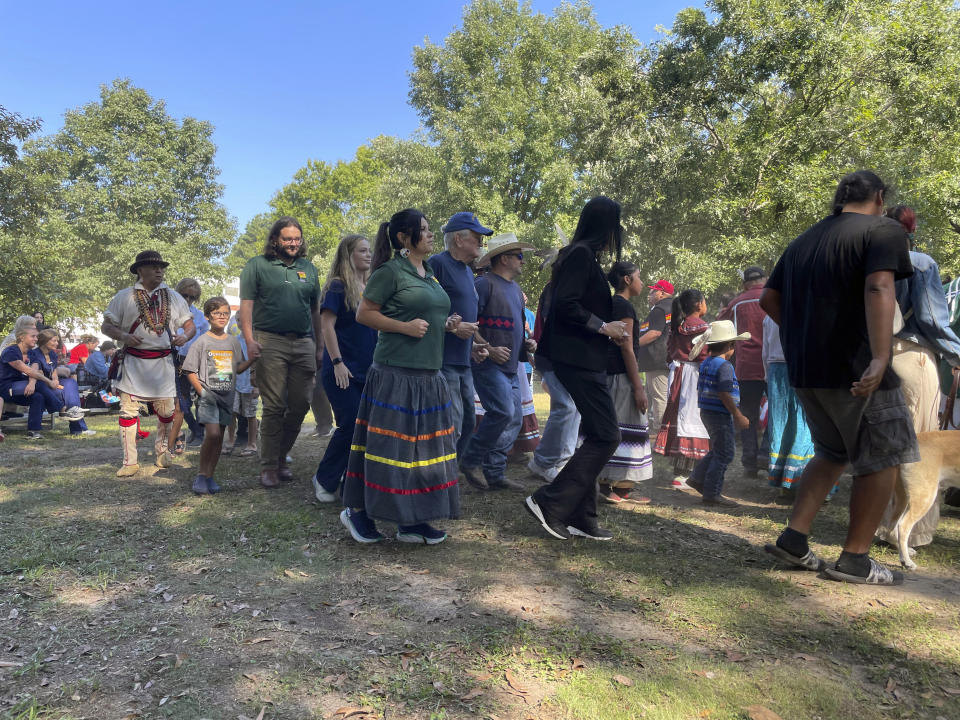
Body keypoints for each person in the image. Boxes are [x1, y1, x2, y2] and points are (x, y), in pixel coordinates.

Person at [761, 170, 918, 586]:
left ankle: (793, 539)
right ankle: (855, 559)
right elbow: (879, 286)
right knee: (882, 457)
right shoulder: (882, 230)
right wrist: (881, 356)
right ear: (880, 199)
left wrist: (802, 338)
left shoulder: (802, 241)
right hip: (857, 367)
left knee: (831, 453)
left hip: (808, 370)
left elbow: (768, 298)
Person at [340, 209, 460, 545]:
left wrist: (449, 324)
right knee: (387, 450)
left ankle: (412, 520)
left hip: (429, 376)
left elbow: (430, 312)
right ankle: (357, 511)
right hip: (395, 376)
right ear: (405, 238)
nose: (431, 234)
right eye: (424, 230)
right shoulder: (390, 272)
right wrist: (404, 327)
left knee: (422, 454)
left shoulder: (429, 271)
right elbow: (365, 313)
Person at [525, 196, 629, 541]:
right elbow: (565, 306)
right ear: (607, 227)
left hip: (584, 359)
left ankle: (582, 516)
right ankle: (550, 501)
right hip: (576, 359)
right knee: (607, 434)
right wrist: (605, 327)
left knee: (594, 434)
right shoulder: (581, 255)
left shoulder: (584, 256)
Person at [874, 205, 960, 548]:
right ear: (912, 231)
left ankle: (881, 524)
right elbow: (932, 320)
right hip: (911, 356)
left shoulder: (867, 262)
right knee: (920, 446)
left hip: (874, 357)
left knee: (885, 444)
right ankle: (914, 532)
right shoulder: (921, 263)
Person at [238, 217, 323, 488]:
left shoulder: (308, 268)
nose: (293, 243)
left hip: (304, 342)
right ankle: (269, 466)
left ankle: (281, 455)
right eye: (287, 239)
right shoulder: (257, 265)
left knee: (300, 404)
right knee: (274, 405)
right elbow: (246, 306)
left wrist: (319, 345)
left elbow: (315, 311)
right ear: (275, 240)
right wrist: (250, 340)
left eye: (297, 238)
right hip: (269, 341)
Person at [101, 250, 195, 476]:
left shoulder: (173, 296)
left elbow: (189, 325)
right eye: (153, 266)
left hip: (163, 363)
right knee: (127, 413)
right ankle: (129, 461)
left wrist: (185, 336)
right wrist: (123, 336)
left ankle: (162, 451)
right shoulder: (124, 296)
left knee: (167, 412)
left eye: (161, 266)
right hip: (133, 362)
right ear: (139, 270)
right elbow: (106, 326)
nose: (159, 270)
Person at [460, 233, 537, 492]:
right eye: (519, 256)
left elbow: (516, 326)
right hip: (487, 363)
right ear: (504, 259)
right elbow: (469, 323)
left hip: (511, 366)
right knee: (503, 411)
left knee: (514, 417)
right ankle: (470, 459)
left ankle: (494, 473)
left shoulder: (515, 290)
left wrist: (527, 342)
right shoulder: (483, 284)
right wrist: (488, 349)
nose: (523, 261)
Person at [310, 234, 378, 503]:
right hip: (341, 369)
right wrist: (337, 362)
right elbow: (326, 326)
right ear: (347, 255)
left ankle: (349, 478)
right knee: (350, 424)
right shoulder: (337, 287)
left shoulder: (370, 288)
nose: (368, 254)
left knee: (365, 427)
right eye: (362, 250)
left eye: (369, 250)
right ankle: (324, 478)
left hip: (367, 370)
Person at [429, 212, 492, 461]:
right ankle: (440, 476)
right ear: (458, 239)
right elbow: (424, 309)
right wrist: (453, 329)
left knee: (467, 420)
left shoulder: (467, 272)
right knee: (450, 423)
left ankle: (453, 470)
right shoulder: (437, 264)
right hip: (443, 360)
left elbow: (464, 317)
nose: (481, 243)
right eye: (477, 237)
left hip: (463, 360)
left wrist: (474, 344)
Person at [183, 297, 255, 495]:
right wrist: (202, 392)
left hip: (227, 397)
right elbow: (189, 370)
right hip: (208, 397)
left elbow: (238, 368)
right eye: (217, 313)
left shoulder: (233, 342)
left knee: (219, 438)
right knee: (212, 434)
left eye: (225, 313)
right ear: (207, 316)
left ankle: (210, 475)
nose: (221, 317)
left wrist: (252, 360)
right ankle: (201, 474)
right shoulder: (202, 342)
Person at [598, 261, 652, 504]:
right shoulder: (623, 306)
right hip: (620, 376)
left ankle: (621, 486)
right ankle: (607, 484)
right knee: (625, 427)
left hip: (612, 374)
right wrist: (638, 387)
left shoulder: (612, 304)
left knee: (623, 427)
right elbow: (627, 349)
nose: (642, 282)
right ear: (628, 279)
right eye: (639, 276)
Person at [527, 252, 581, 482]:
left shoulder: (567, 288)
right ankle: (546, 461)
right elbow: (553, 324)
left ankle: (554, 460)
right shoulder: (555, 288)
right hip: (554, 355)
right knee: (566, 407)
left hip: (567, 356)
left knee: (573, 407)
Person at [686, 320, 751, 507]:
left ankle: (697, 478)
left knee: (719, 449)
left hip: (707, 412)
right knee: (726, 453)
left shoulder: (707, 362)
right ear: (730, 346)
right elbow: (724, 393)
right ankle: (712, 493)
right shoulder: (725, 366)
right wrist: (738, 415)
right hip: (720, 414)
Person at [654, 289, 711, 488]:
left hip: (678, 375)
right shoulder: (703, 328)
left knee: (680, 416)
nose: (706, 305)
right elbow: (705, 355)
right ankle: (689, 474)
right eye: (704, 301)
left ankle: (680, 471)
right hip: (694, 377)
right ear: (698, 305)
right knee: (694, 418)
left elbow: (669, 354)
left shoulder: (678, 326)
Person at [718, 266, 768, 475]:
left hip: (747, 365)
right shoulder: (775, 298)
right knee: (777, 411)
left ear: (745, 284)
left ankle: (749, 463)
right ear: (764, 280)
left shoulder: (737, 303)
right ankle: (766, 453)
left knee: (748, 412)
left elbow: (721, 325)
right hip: (773, 363)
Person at [761, 314, 815, 493]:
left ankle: (784, 482)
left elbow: (765, 351)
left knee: (782, 427)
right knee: (804, 425)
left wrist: (767, 376)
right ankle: (804, 481)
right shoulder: (807, 308)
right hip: (804, 368)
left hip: (777, 371)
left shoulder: (770, 315)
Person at [0, 325, 63, 439]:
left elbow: (34, 371)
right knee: (42, 383)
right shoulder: (10, 351)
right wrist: (49, 381)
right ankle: (62, 409)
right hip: (5, 388)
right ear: (22, 337)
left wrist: (31, 383)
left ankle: (34, 431)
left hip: (22, 387)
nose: (36, 339)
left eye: (36, 337)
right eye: (33, 336)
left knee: (38, 396)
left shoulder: (31, 353)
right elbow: (27, 370)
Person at [169, 278, 209, 452]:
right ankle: (187, 431)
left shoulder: (198, 316)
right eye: (184, 295)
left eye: (192, 297)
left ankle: (196, 431)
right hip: (170, 359)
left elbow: (205, 340)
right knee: (173, 401)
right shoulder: (169, 311)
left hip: (191, 362)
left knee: (188, 401)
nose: (187, 300)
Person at [29, 329, 93, 436]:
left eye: (57, 341)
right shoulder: (35, 354)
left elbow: (53, 370)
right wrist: (51, 382)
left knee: (70, 383)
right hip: (40, 383)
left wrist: (56, 380)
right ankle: (76, 425)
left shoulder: (52, 355)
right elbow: (37, 374)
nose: (57, 343)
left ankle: (74, 418)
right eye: (54, 341)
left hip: (51, 383)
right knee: (66, 393)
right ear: (45, 341)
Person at [637, 280, 674, 435]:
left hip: (657, 360)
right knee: (658, 395)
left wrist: (633, 345)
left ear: (661, 293)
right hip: (666, 358)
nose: (649, 295)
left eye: (652, 292)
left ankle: (661, 434)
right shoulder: (674, 307)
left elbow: (654, 333)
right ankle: (657, 429)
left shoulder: (659, 309)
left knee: (659, 397)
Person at [224, 314, 259, 457]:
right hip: (235, 384)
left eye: (243, 320)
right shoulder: (234, 341)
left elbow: (259, 364)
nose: (240, 323)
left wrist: (257, 386)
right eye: (238, 320)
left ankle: (252, 444)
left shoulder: (256, 342)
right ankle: (230, 441)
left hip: (250, 384)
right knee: (232, 412)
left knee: (251, 415)